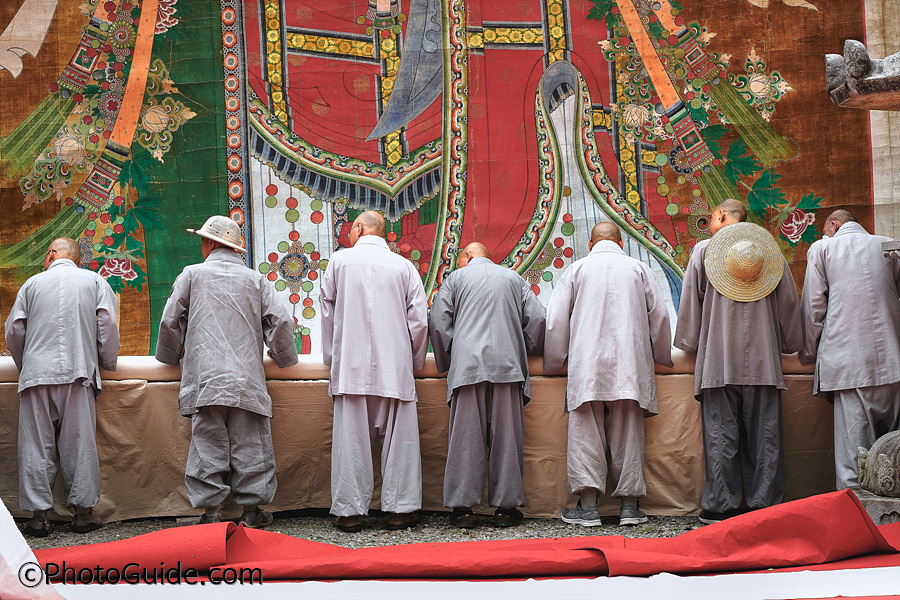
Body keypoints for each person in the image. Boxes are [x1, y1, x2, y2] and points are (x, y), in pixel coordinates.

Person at [156, 215, 298, 528]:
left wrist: (170, 355)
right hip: (246, 379)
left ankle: (210, 515)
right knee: (252, 446)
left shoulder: (191, 275)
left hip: (205, 379)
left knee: (206, 445)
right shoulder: (256, 280)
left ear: (208, 243)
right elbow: (281, 322)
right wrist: (284, 356)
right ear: (234, 248)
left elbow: (170, 321)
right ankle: (251, 512)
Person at [674, 199, 801, 524]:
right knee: (766, 438)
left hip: (718, 360)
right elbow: (788, 304)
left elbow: (690, 306)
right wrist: (794, 344)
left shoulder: (703, 251)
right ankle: (766, 507)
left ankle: (722, 506)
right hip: (763, 361)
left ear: (720, 216)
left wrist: (688, 343)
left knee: (720, 436)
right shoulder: (768, 251)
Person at [544, 223, 672, 527]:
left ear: (590, 243)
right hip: (630, 364)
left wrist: (553, 361)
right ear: (621, 242)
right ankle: (629, 506)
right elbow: (661, 316)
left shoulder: (577, 269)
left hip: (586, 364)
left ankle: (588, 508)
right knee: (628, 430)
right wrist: (662, 356)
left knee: (585, 433)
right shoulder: (638, 268)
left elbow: (556, 320)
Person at [320, 210, 428, 532]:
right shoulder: (404, 266)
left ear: (358, 228)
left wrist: (331, 358)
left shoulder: (339, 263)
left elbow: (327, 312)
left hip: (350, 367)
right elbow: (419, 321)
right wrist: (415, 362)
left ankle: (350, 513)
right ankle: (401, 510)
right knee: (400, 442)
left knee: (351, 441)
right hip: (394, 365)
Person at [5, 237, 119, 537]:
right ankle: (82, 515)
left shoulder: (31, 285)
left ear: (50, 254)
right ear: (77, 259)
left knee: (35, 445)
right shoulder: (94, 281)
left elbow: (14, 329)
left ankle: (38, 518)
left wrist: (26, 364)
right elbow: (106, 323)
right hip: (78, 372)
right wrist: (105, 363)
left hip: (36, 377)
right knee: (79, 444)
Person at [429, 242, 546, 528]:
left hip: (467, 366)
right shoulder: (513, 278)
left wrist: (448, 361)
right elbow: (539, 318)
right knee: (508, 438)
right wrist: (529, 348)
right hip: (508, 364)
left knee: (465, 438)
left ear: (467, 256)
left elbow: (437, 322)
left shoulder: (455, 279)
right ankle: (506, 509)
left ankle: (463, 509)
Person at [799, 209, 900, 489]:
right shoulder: (889, 245)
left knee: (853, 463)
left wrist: (808, 352)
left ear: (834, 225)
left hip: (850, 364)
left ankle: (857, 521)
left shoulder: (823, 248)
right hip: (894, 364)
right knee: (893, 455)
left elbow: (813, 308)